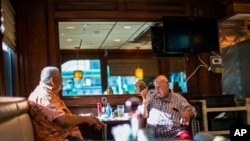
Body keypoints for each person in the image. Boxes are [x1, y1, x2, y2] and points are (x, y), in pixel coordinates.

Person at [28, 66, 105, 141]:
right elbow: (63, 120)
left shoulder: (48, 93)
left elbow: (64, 116)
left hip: (67, 136)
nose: (62, 82)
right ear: (52, 81)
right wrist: (85, 119)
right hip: (60, 138)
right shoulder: (44, 96)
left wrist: (88, 118)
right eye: (61, 78)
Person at [140, 75, 196, 140]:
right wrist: (144, 100)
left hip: (174, 133)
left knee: (186, 138)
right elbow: (143, 115)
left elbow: (193, 110)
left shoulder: (178, 98)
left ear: (167, 86)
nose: (156, 89)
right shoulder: (151, 97)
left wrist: (188, 112)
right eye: (155, 87)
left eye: (159, 86)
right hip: (153, 133)